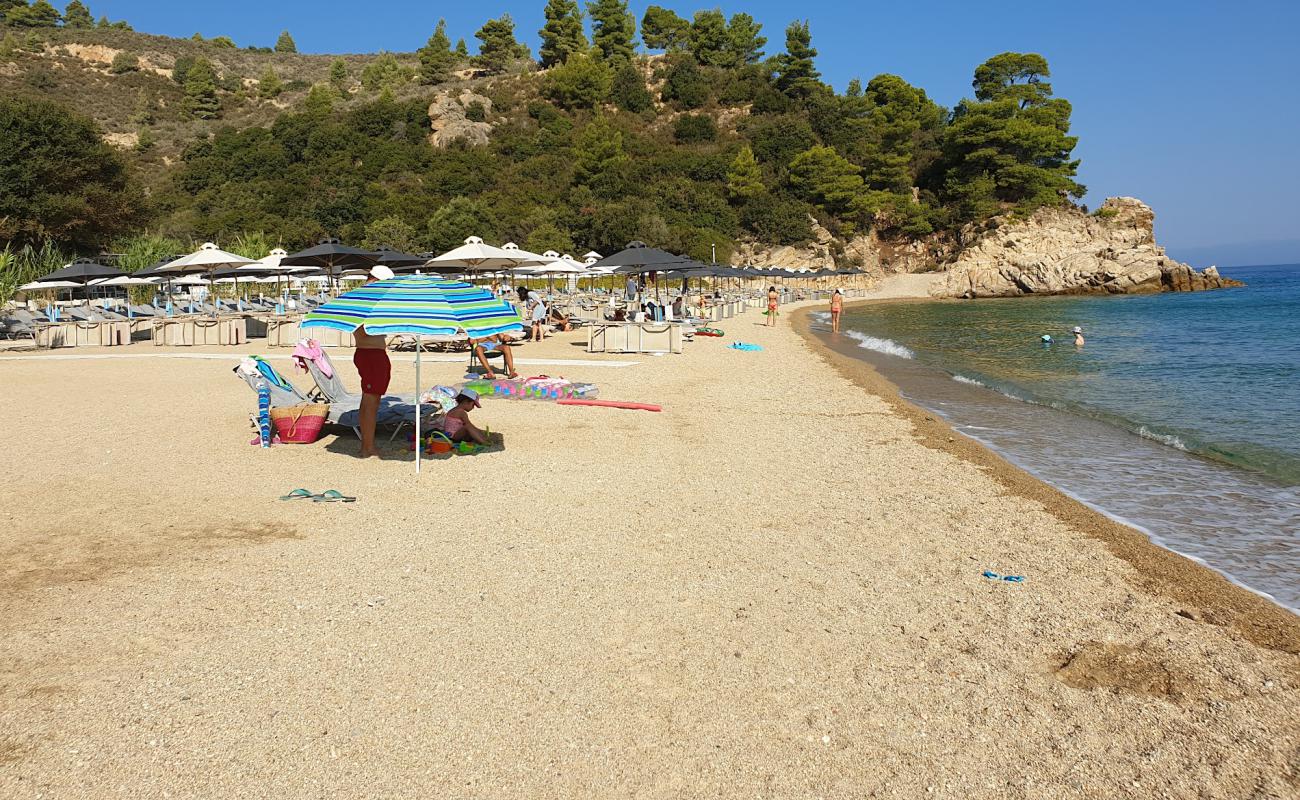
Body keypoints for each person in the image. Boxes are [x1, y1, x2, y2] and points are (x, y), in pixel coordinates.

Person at [353, 264, 395, 458]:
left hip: (369, 353)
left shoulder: (363, 299)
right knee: (371, 402)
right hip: (371, 354)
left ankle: (367, 445)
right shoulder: (365, 300)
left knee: (369, 400)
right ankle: (366, 447)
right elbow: (365, 330)